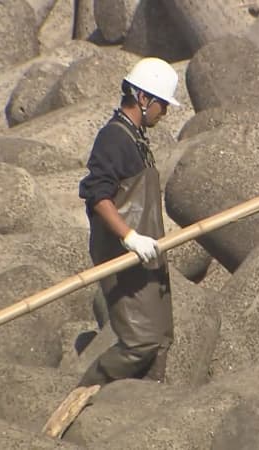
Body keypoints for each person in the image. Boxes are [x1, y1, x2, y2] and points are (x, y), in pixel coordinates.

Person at [77, 57, 180, 386]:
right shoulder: (114, 137)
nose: (164, 113)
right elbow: (98, 196)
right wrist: (130, 237)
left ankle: (142, 406)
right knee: (140, 341)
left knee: (161, 337)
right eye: (162, 105)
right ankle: (83, 391)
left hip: (146, 252)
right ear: (143, 98)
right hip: (122, 253)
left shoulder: (137, 138)